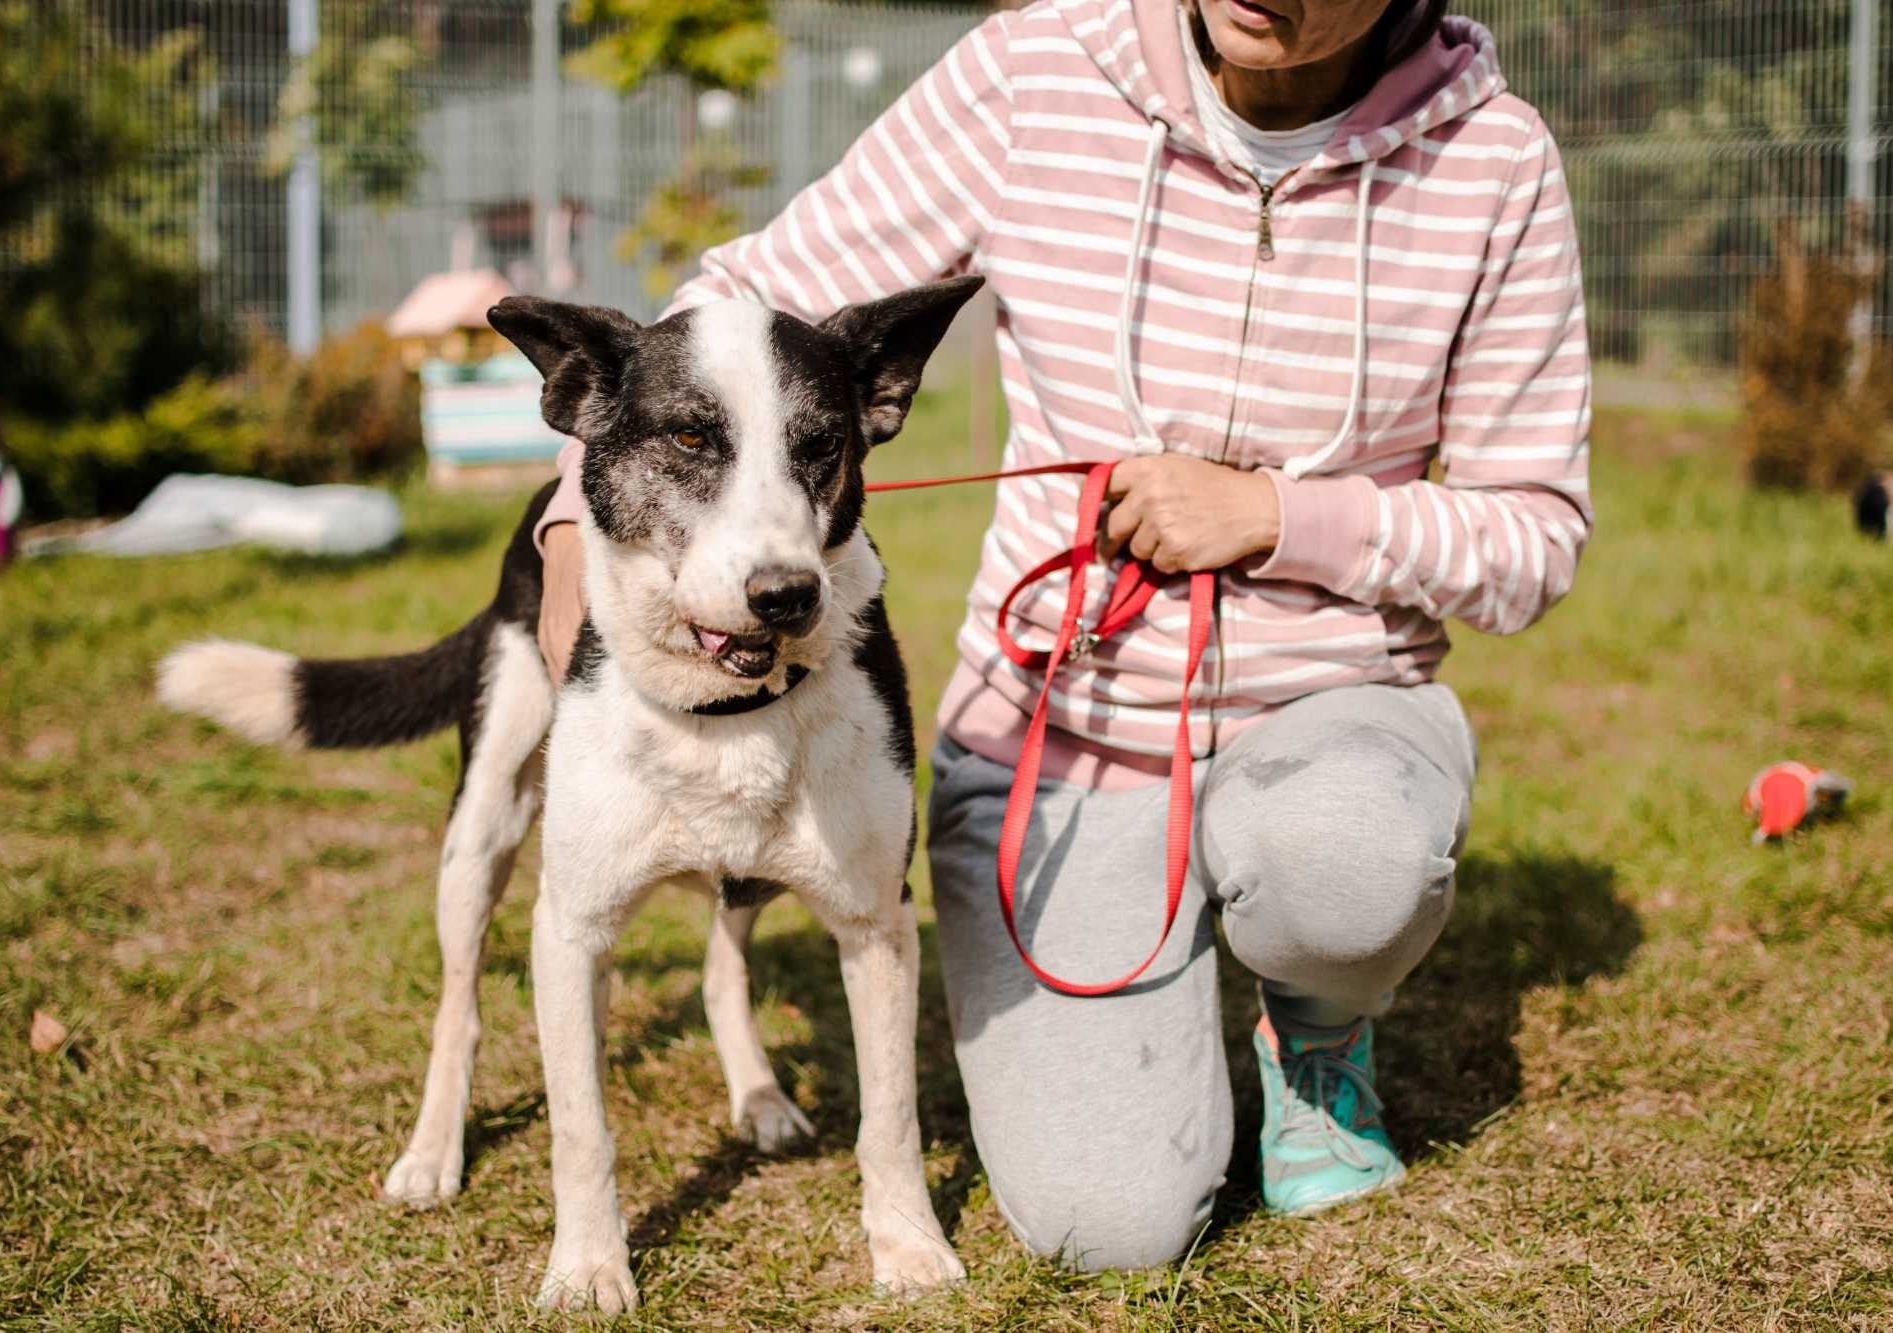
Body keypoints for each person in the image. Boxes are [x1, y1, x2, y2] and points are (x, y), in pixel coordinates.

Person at [533, 0, 1591, 1272]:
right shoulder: (1036, 70)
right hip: (1059, 735)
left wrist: (1277, 517)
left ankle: (1314, 1026)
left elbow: (1533, 536)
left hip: (1334, 708)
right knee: (1105, 1227)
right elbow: (748, 306)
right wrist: (561, 522)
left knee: (1345, 858)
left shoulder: (1491, 160)